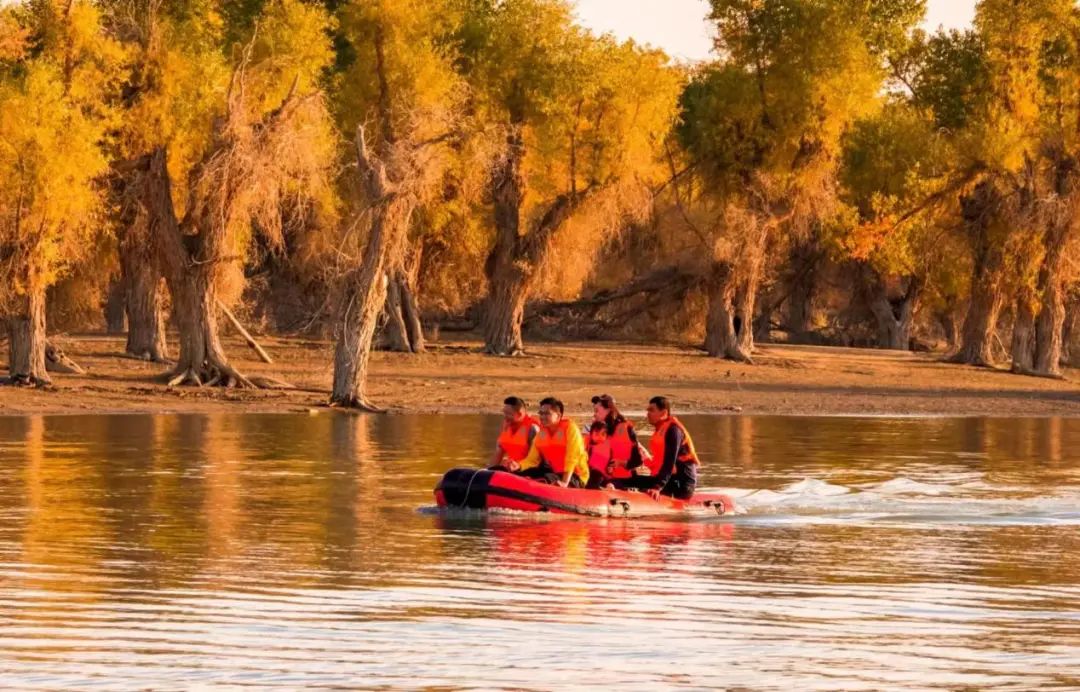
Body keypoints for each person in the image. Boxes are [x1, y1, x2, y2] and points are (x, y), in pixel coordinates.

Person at [613, 396, 700, 500]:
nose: (648, 413)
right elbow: (659, 463)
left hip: (681, 483)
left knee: (646, 486)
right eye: (648, 410)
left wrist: (657, 487)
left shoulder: (673, 431)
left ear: (663, 413)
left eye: (651, 410)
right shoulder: (660, 430)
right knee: (620, 481)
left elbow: (669, 463)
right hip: (665, 479)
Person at [517, 397, 590, 488]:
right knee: (521, 473)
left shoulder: (571, 429)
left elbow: (572, 458)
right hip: (555, 472)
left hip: (575, 476)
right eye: (541, 413)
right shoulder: (541, 434)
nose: (542, 417)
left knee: (546, 479)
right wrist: (518, 466)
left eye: (547, 413)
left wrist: (564, 482)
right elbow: (532, 460)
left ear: (559, 416)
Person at [584, 394, 645, 489]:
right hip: (602, 478)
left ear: (608, 410)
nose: (594, 414)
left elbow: (638, 460)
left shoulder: (626, 429)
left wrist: (622, 463)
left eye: (597, 411)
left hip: (623, 480)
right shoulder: (596, 431)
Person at [489, 396, 540, 471]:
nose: (505, 417)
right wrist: (488, 471)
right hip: (512, 469)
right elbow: (499, 453)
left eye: (508, 414)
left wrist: (518, 467)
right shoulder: (507, 425)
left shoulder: (533, 429)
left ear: (519, 414)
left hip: (527, 471)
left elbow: (534, 460)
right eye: (504, 413)